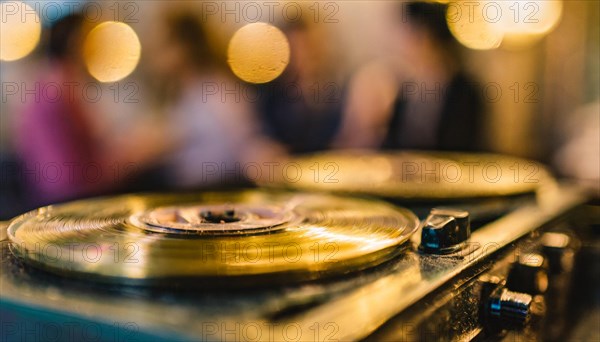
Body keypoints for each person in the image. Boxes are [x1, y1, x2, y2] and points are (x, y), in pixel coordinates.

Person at [148, 12, 286, 189]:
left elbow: (245, 140)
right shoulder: (183, 90)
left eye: (162, 45)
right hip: (188, 190)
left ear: (183, 47)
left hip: (215, 192)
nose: (153, 52)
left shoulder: (215, 88)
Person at [334, 2, 485, 151]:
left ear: (425, 36)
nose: (400, 43)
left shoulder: (464, 90)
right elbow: (393, 142)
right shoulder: (406, 86)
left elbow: (465, 145)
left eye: (406, 33)